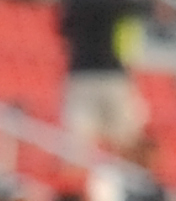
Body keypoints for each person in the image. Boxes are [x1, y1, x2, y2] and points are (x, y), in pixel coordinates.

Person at [58, 0, 149, 152]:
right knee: (122, 137)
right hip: (109, 76)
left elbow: (64, 30)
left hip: (84, 74)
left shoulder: (75, 4)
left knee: (79, 140)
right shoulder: (121, 5)